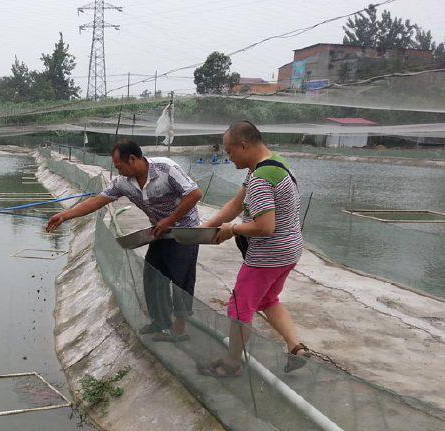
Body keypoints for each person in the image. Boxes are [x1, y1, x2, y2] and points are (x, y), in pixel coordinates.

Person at [46, 140, 203, 341]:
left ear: (132, 159)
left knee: (181, 280)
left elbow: (194, 194)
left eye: (119, 166)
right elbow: (97, 201)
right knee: (153, 276)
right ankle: (161, 322)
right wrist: (65, 215)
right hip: (159, 232)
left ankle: (180, 330)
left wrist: (170, 220)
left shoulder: (166, 168)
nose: (118, 171)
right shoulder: (123, 182)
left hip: (184, 232)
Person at [199, 120, 308, 376]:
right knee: (268, 299)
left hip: (268, 255)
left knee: (238, 307)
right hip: (290, 249)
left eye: (229, 151)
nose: (228, 157)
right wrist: (207, 227)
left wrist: (232, 230)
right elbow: (236, 204)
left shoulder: (260, 179)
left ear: (244, 146)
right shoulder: (274, 164)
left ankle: (231, 363)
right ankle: (296, 349)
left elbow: (264, 227)